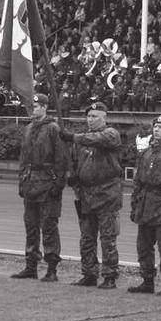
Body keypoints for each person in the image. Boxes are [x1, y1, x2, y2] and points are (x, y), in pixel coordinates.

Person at [59, 101, 122, 289]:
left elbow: (98, 139)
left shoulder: (111, 134)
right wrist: (74, 177)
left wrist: (73, 137)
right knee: (87, 237)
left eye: (95, 116)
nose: (91, 119)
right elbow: (75, 160)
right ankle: (89, 273)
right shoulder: (82, 140)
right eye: (88, 116)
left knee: (107, 237)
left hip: (107, 194)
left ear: (104, 117)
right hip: (86, 195)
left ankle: (110, 276)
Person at [11, 94, 68, 282]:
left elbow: (61, 158)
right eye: (31, 106)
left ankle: (52, 268)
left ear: (44, 107)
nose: (32, 109)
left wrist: (58, 183)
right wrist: (21, 181)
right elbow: (23, 158)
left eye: (35, 106)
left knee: (49, 227)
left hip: (47, 182)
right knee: (31, 226)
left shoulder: (53, 129)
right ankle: (31, 265)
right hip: (30, 182)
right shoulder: (28, 129)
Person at [128, 114, 161, 296]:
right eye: (155, 127)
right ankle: (147, 280)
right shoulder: (146, 152)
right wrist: (135, 204)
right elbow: (138, 181)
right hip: (146, 204)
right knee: (143, 247)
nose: (157, 130)